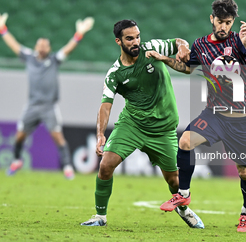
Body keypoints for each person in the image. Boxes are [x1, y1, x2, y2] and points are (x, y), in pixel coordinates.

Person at [80, 19, 204, 228]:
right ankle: (100, 216)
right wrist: (101, 134)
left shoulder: (152, 48)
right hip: (133, 125)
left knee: (174, 180)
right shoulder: (115, 74)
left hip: (163, 130)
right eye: (130, 38)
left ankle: (183, 209)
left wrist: (183, 46)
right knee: (106, 166)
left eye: (137, 36)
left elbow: (177, 42)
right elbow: (105, 105)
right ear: (118, 41)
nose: (136, 42)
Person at [158, 0, 246, 232]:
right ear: (212, 19)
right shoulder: (200, 45)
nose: (223, 27)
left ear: (233, 21)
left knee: (245, 171)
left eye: (228, 22)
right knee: (185, 141)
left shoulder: (239, 42)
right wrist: (164, 59)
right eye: (219, 21)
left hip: (241, 119)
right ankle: (183, 195)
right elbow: (187, 68)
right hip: (214, 114)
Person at [0, 13, 94, 180]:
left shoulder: (54, 59)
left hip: (49, 106)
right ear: (36, 47)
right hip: (32, 106)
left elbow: (68, 48)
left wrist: (79, 34)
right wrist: (3, 30)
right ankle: (16, 160)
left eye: (45, 45)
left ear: (48, 48)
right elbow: (14, 45)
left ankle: (67, 167)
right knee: (20, 136)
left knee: (58, 137)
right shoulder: (29, 58)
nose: (42, 47)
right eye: (40, 45)